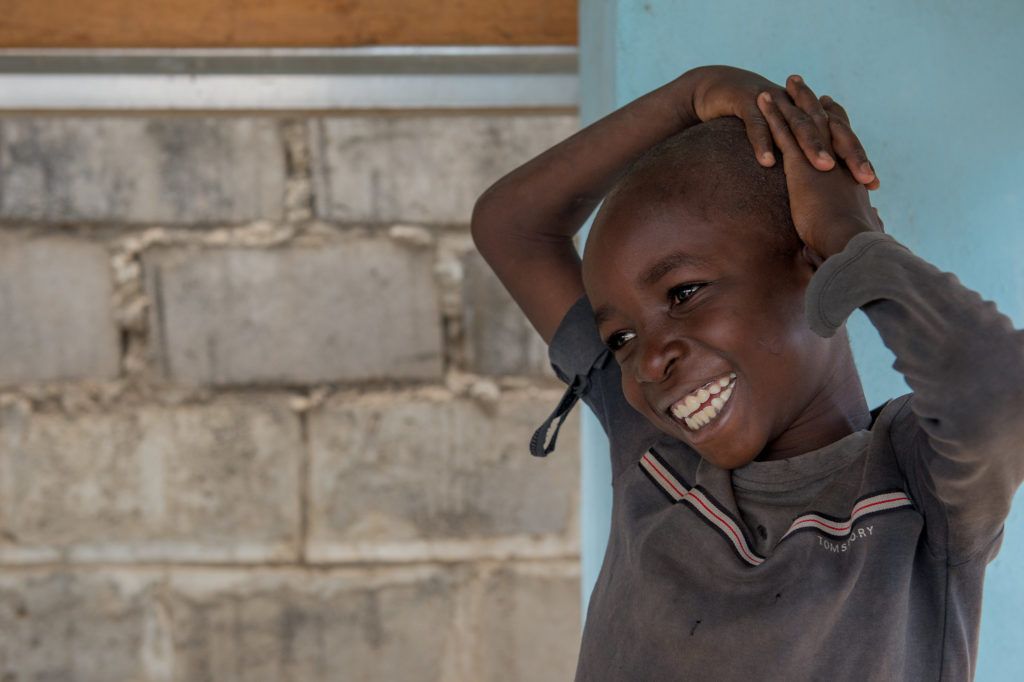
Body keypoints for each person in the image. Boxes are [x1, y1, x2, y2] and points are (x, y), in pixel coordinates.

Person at [470, 65, 1024, 680]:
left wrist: (848, 233)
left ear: (814, 265)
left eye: (684, 294)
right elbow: (511, 227)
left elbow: (998, 386)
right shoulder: (656, 455)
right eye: (620, 338)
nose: (650, 361)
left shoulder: (920, 489)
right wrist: (695, 93)